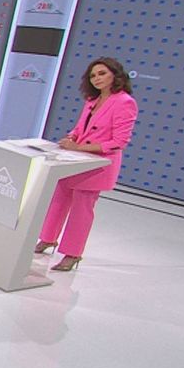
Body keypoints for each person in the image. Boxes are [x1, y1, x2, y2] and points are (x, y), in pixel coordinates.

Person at [34, 57, 139, 272]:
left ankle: (72, 253)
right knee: (58, 199)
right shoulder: (92, 100)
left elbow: (118, 142)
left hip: (97, 165)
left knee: (82, 210)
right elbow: (81, 128)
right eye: (93, 75)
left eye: (102, 73)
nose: (97, 79)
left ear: (115, 75)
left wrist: (78, 148)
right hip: (74, 161)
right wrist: (71, 138)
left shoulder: (125, 102)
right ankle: (47, 238)